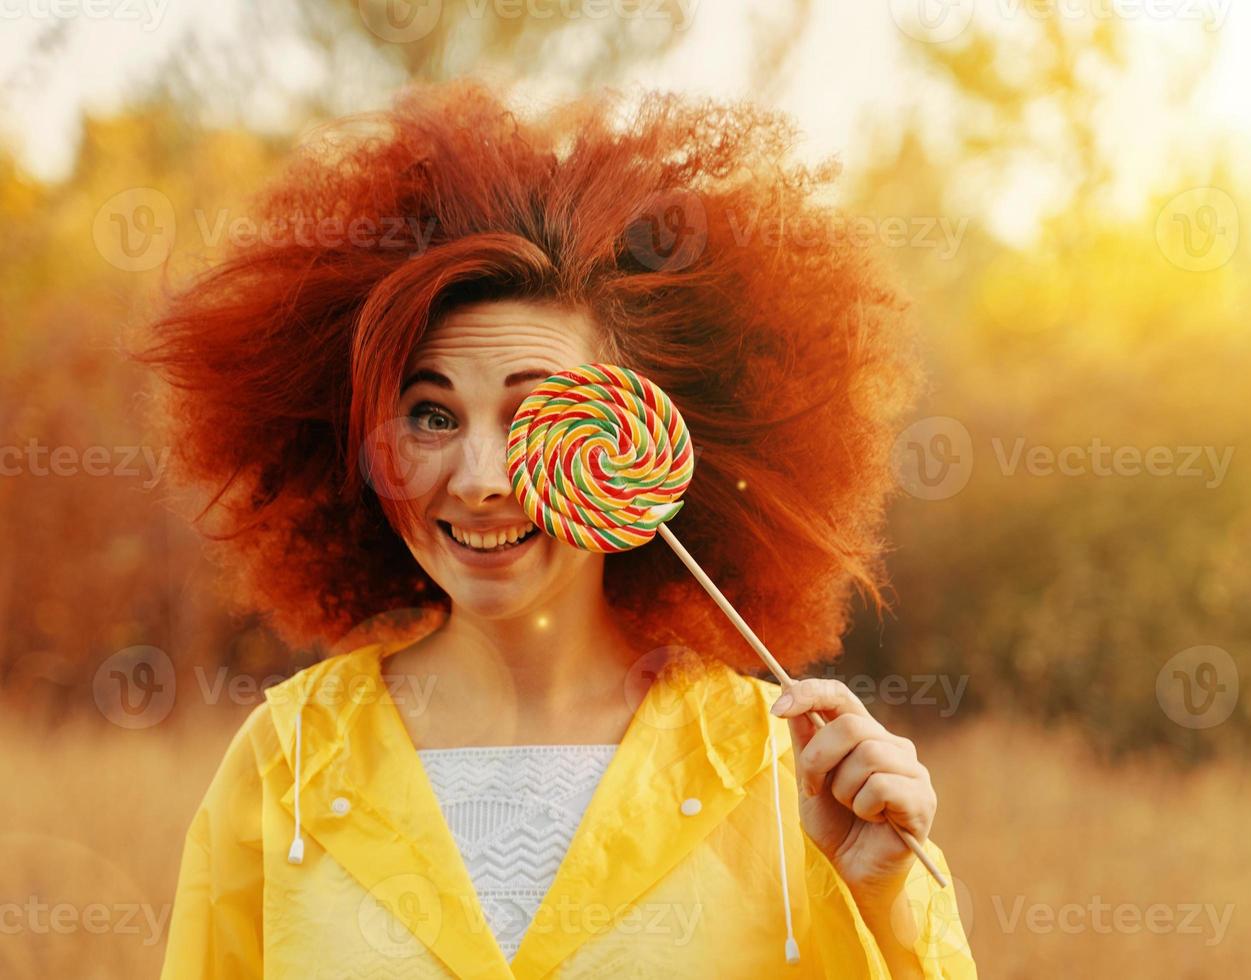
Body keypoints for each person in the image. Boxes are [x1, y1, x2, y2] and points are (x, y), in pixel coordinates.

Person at [141, 77, 977, 978]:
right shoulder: (287, 760)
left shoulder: (782, 768)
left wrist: (883, 899)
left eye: (536, 410)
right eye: (430, 414)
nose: (480, 478)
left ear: (629, 443)